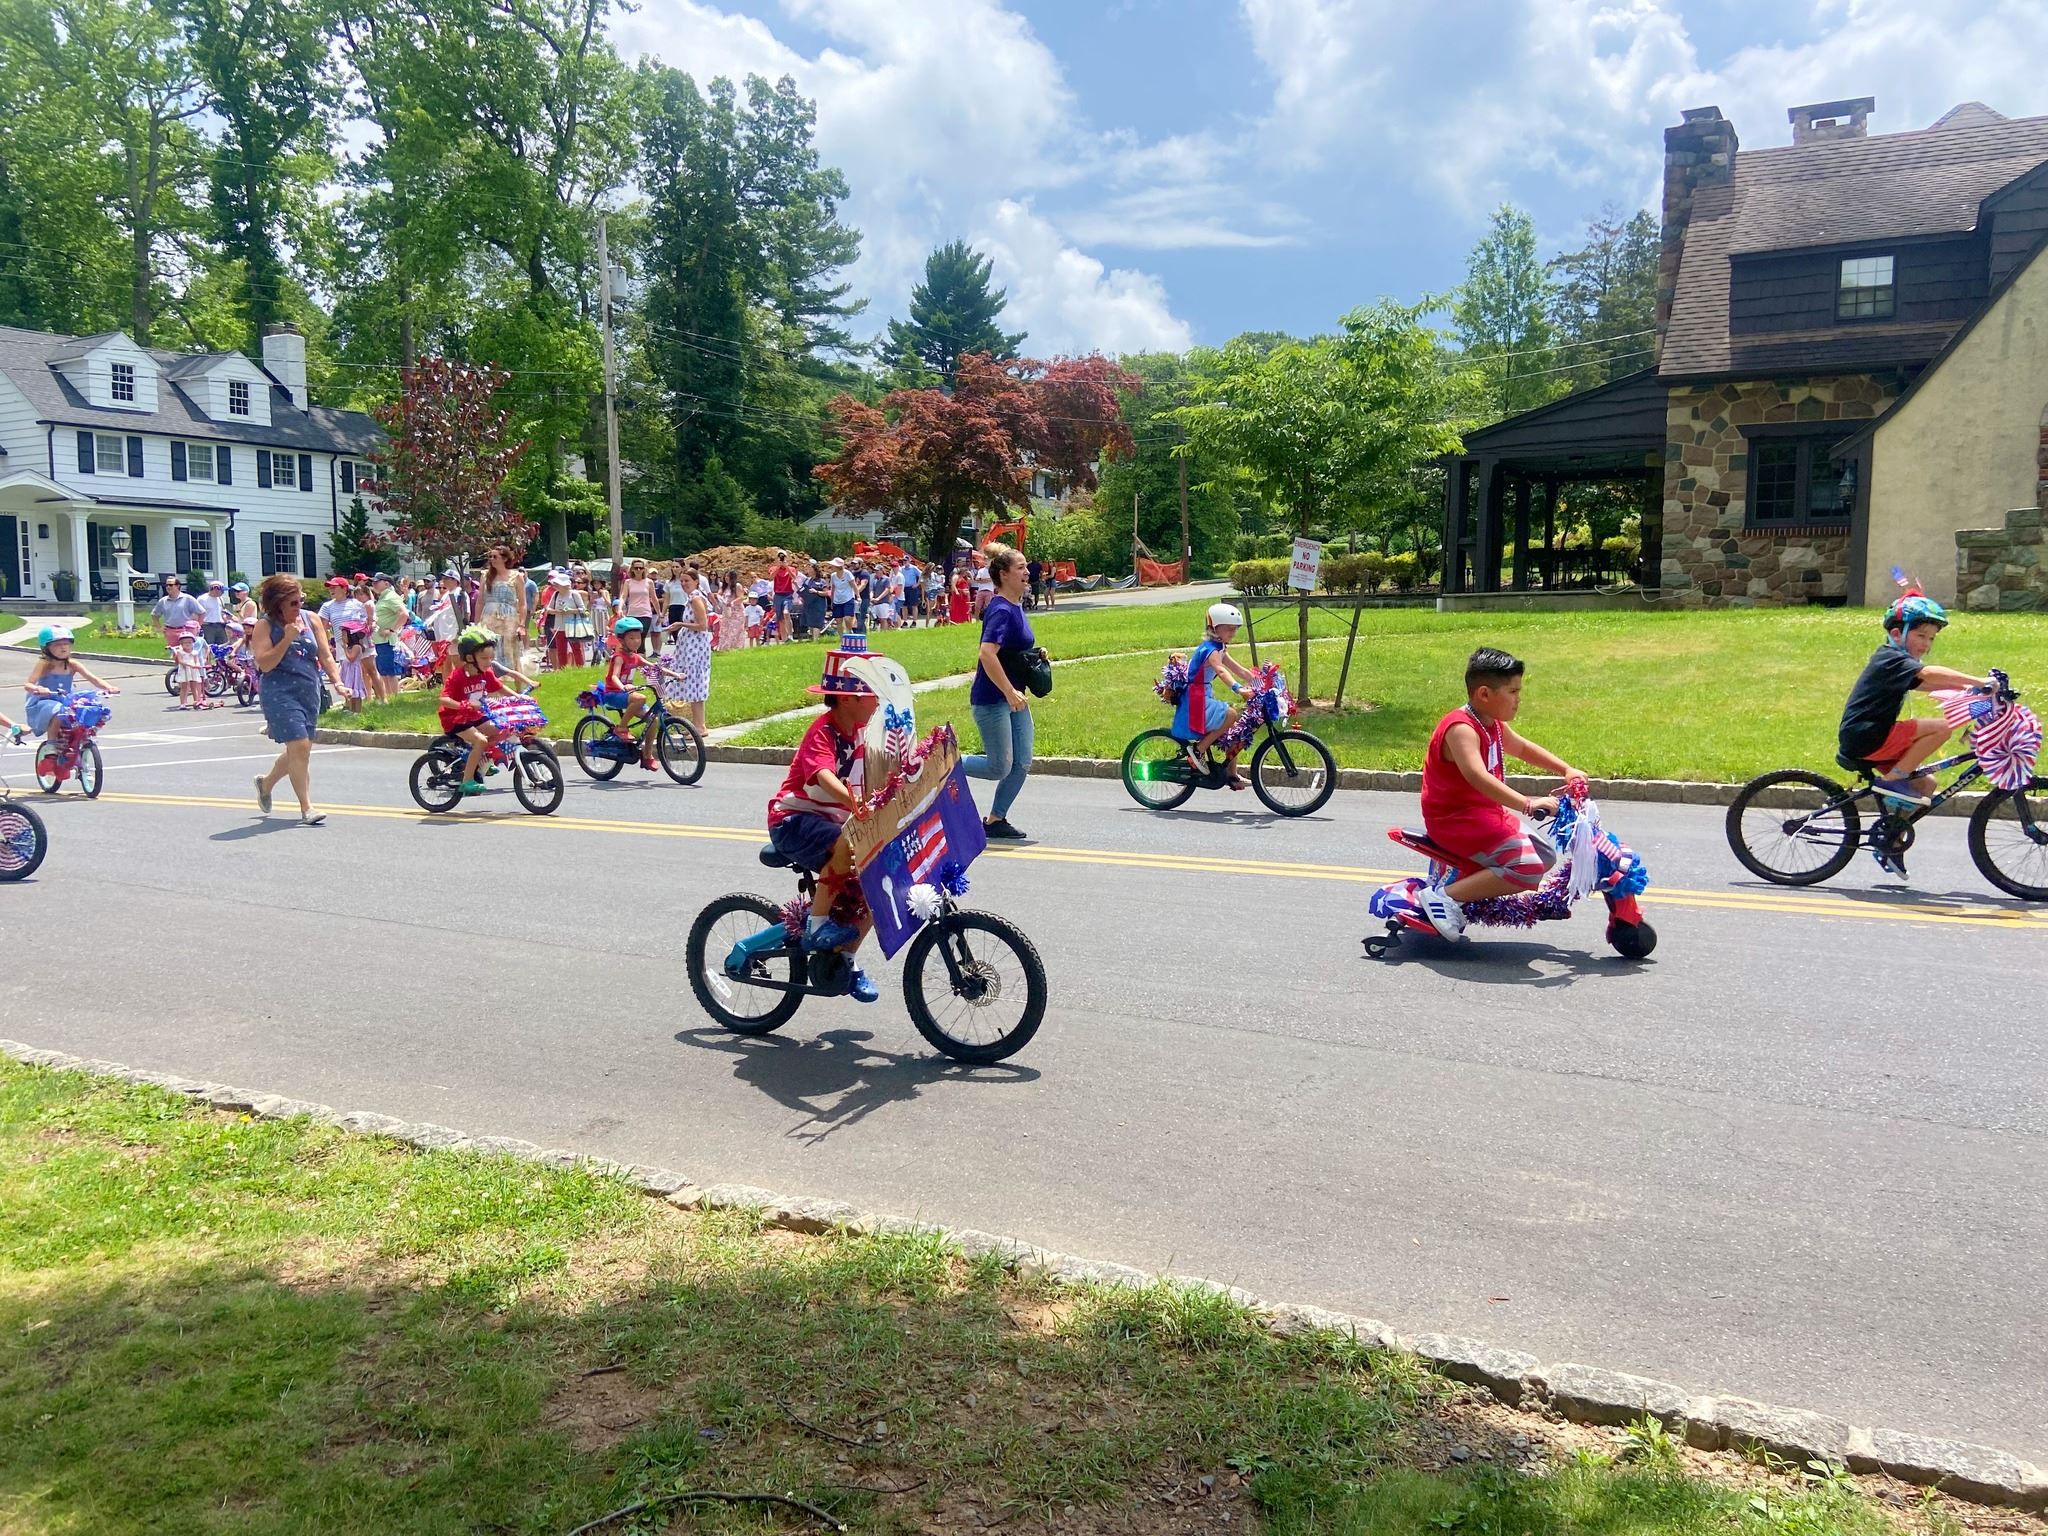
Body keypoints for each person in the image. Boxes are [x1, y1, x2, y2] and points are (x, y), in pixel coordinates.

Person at [723, 639, 886, 1003]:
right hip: (793, 821)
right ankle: (816, 925)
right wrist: (851, 798)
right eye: (873, 693)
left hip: (835, 822)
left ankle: (844, 962)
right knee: (844, 844)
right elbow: (824, 774)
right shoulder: (823, 731)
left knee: (877, 883)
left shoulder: (863, 731)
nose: (879, 700)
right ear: (847, 698)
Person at [1411, 648, 1582, 943]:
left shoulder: (1492, 724)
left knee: (1543, 856)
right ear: (1484, 694)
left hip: (1484, 815)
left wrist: (1566, 769)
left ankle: (1465, 892)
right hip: (1456, 821)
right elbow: (1478, 776)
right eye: (1513, 691)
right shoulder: (1461, 729)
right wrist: (1528, 804)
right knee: (1527, 869)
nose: (1519, 698)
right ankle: (1444, 897)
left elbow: (1524, 749)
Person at [1838, 586, 1991, 833]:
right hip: (1867, 735)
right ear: (1897, 633)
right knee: (1943, 728)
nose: (1927, 644)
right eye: (1921, 636)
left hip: (1872, 738)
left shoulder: (1897, 665)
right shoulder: (1890, 659)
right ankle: (1892, 780)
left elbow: (1928, 683)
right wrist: (1980, 681)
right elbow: (1929, 673)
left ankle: (1892, 840)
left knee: (1925, 786)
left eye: (1931, 638)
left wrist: (1971, 690)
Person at [251, 572, 347, 826]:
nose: (299, 606)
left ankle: (266, 783)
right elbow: (265, 664)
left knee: (300, 748)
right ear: (278, 603)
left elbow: (325, 656)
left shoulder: (311, 619)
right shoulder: (265, 625)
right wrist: (287, 638)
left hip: (308, 689)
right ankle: (307, 808)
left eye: (301, 600)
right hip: (279, 692)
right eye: (293, 602)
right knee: (300, 746)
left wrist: (337, 682)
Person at [962, 544, 1037, 841]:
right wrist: (1009, 691)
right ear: (1003, 574)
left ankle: (996, 820)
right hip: (994, 700)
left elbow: (1010, 650)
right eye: (1020, 568)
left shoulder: (1014, 605)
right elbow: (986, 654)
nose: (1027, 572)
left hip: (1014, 698)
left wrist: (1035, 656)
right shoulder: (1002, 609)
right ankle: (944, 762)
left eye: (1025, 566)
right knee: (998, 767)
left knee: (1021, 763)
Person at [1173, 602, 1263, 789]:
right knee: (1231, 714)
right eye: (1228, 629)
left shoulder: (1220, 648)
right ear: (1214, 628)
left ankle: (1231, 775)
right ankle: (1198, 751)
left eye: (1235, 629)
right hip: (1195, 699)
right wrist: (1238, 688)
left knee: (1235, 731)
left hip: (1203, 694)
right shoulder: (1210, 650)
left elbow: (1239, 669)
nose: (1233, 632)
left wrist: (1261, 682)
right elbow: (1221, 671)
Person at [439, 625, 514, 795]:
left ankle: (483, 761)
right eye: (484, 658)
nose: (489, 662)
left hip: (474, 716)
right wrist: (462, 706)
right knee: (481, 740)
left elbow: (500, 687)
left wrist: (518, 696)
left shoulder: (485, 673)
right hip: (455, 719)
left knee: (500, 728)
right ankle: (467, 781)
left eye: (491, 658)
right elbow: (443, 699)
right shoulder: (457, 676)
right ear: (470, 658)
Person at [23, 626, 119, 742]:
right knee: (58, 711)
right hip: (44, 701)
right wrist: (37, 689)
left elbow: (92, 678)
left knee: (89, 709)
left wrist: (109, 687)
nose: (63, 647)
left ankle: (83, 737)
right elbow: (28, 684)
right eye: (57, 644)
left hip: (65, 699)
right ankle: (51, 743)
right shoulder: (44, 664)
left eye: (66, 644)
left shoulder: (73, 664)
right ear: (46, 648)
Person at [661, 565, 714, 735]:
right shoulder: (691, 597)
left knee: (695, 682)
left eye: (687, 580)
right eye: (682, 581)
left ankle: (699, 726)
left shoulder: (696, 598)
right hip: (690, 645)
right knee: (691, 684)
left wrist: (680, 624)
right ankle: (697, 724)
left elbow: (702, 625)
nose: (684, 583)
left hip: (695, 646)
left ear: (696, 581)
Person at [598, 617, 657, 767]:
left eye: (638, 637)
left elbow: (653, 667)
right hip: (613, 693)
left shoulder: (635, 656)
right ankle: (621, 727)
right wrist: (623, 687)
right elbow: (614, 677)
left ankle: (647, 755)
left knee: (653, 720)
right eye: (631, 638)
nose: (636, 641)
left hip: (627, 695)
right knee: (640, 698)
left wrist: (676, 675)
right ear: (622, 640)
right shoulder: (619, 657)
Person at [478, 547, 526, 673]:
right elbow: (480, 601)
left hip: (509, 617)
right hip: (489, 616)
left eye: (495, 557)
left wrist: (522, 625)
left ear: (504, 558)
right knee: (490, 650)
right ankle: (493, 687)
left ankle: (518, 689)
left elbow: (522, 603)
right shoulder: (485, 576)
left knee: (511, 651)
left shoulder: (516, 576)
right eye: (490, 557)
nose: (491, 559)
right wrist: (477, 622)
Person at [369, 572, 408, 704]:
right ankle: (388, 699)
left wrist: (392, 629)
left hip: (387, 641)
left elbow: (404, 614)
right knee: (384, 671)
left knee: (389, 672)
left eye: (376, 582)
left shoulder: (391, 596)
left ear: (386, 583)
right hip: (380, 640)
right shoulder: (383, 597)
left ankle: (394, 700)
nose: (374, 584)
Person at [546, 569, 592, 670]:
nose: (555, 586)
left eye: (557, 584)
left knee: (577, 649)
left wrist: (570, 610)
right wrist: (557, 611)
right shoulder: (556, 594)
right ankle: (563, 670)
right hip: (559, 626)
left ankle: (580, 669)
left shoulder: (574, 594)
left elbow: (583, 609)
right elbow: (548, 609)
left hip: (573, 625)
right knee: (561, 650)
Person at [151, 575, 204, 648]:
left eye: (170, 585)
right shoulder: (163, 601)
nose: (168, 587)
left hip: (186, 630)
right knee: (175, 654)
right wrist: (159, 627)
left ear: (177, 586)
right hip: (170, 631)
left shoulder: (188, 598)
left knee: (187, 653)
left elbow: (201, 612)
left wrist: (198, 626)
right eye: (166, 585)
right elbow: (154, 615)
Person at [172, 627, 214, 711]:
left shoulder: (194, 653)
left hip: (193, 671)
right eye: (185, 643)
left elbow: (196, 661)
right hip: (184, 671)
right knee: (184, 687)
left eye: (190, 642)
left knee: (194, 685)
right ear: (181, 644)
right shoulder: (180, 652)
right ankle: (183, 703)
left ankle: (196, 701)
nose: (188, 644)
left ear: (193, 643)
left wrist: (197, 665)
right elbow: (180, 661)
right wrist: (190, 665)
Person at [334, 622, 371, 714]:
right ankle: (351, 708)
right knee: (350, 689)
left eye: (344, 635)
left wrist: (345, 649)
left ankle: (357, 710)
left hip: (354, 671)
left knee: (356, 690)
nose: (342, 637)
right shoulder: (351, 647)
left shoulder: (356, 647)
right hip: (348, 670)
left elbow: (351, 658)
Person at [771, 551, 796, 641]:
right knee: (780, 618)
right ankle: (785, 639)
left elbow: (794, 577)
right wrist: (778, 567)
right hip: (778, 595)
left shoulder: (791, 569)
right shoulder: (774, 568)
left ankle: (790, 635)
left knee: (786, 613)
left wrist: (786, 567)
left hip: (787, 594)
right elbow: (771, 577)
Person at [829, 558, 856, 634]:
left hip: (848, 598)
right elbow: (833, 588)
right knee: (838, 621)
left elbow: (853, 585)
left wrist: (858, 596)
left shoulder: (847, 574)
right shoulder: (833, 576)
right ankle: (842, 639)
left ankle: (849, 631)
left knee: (847, 618)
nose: (831, 566)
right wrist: (832, 601)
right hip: (837, 600)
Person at [198, 579, 229, 644]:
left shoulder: (220, 598)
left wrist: (226, 620)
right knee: (209, 645)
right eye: (222, 590)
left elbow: (222, 611)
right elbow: (198, 614)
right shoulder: (202, 599)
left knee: (223, 644)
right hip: (208, 626)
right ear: (215, 589)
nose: (223, 592)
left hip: (220, 626)